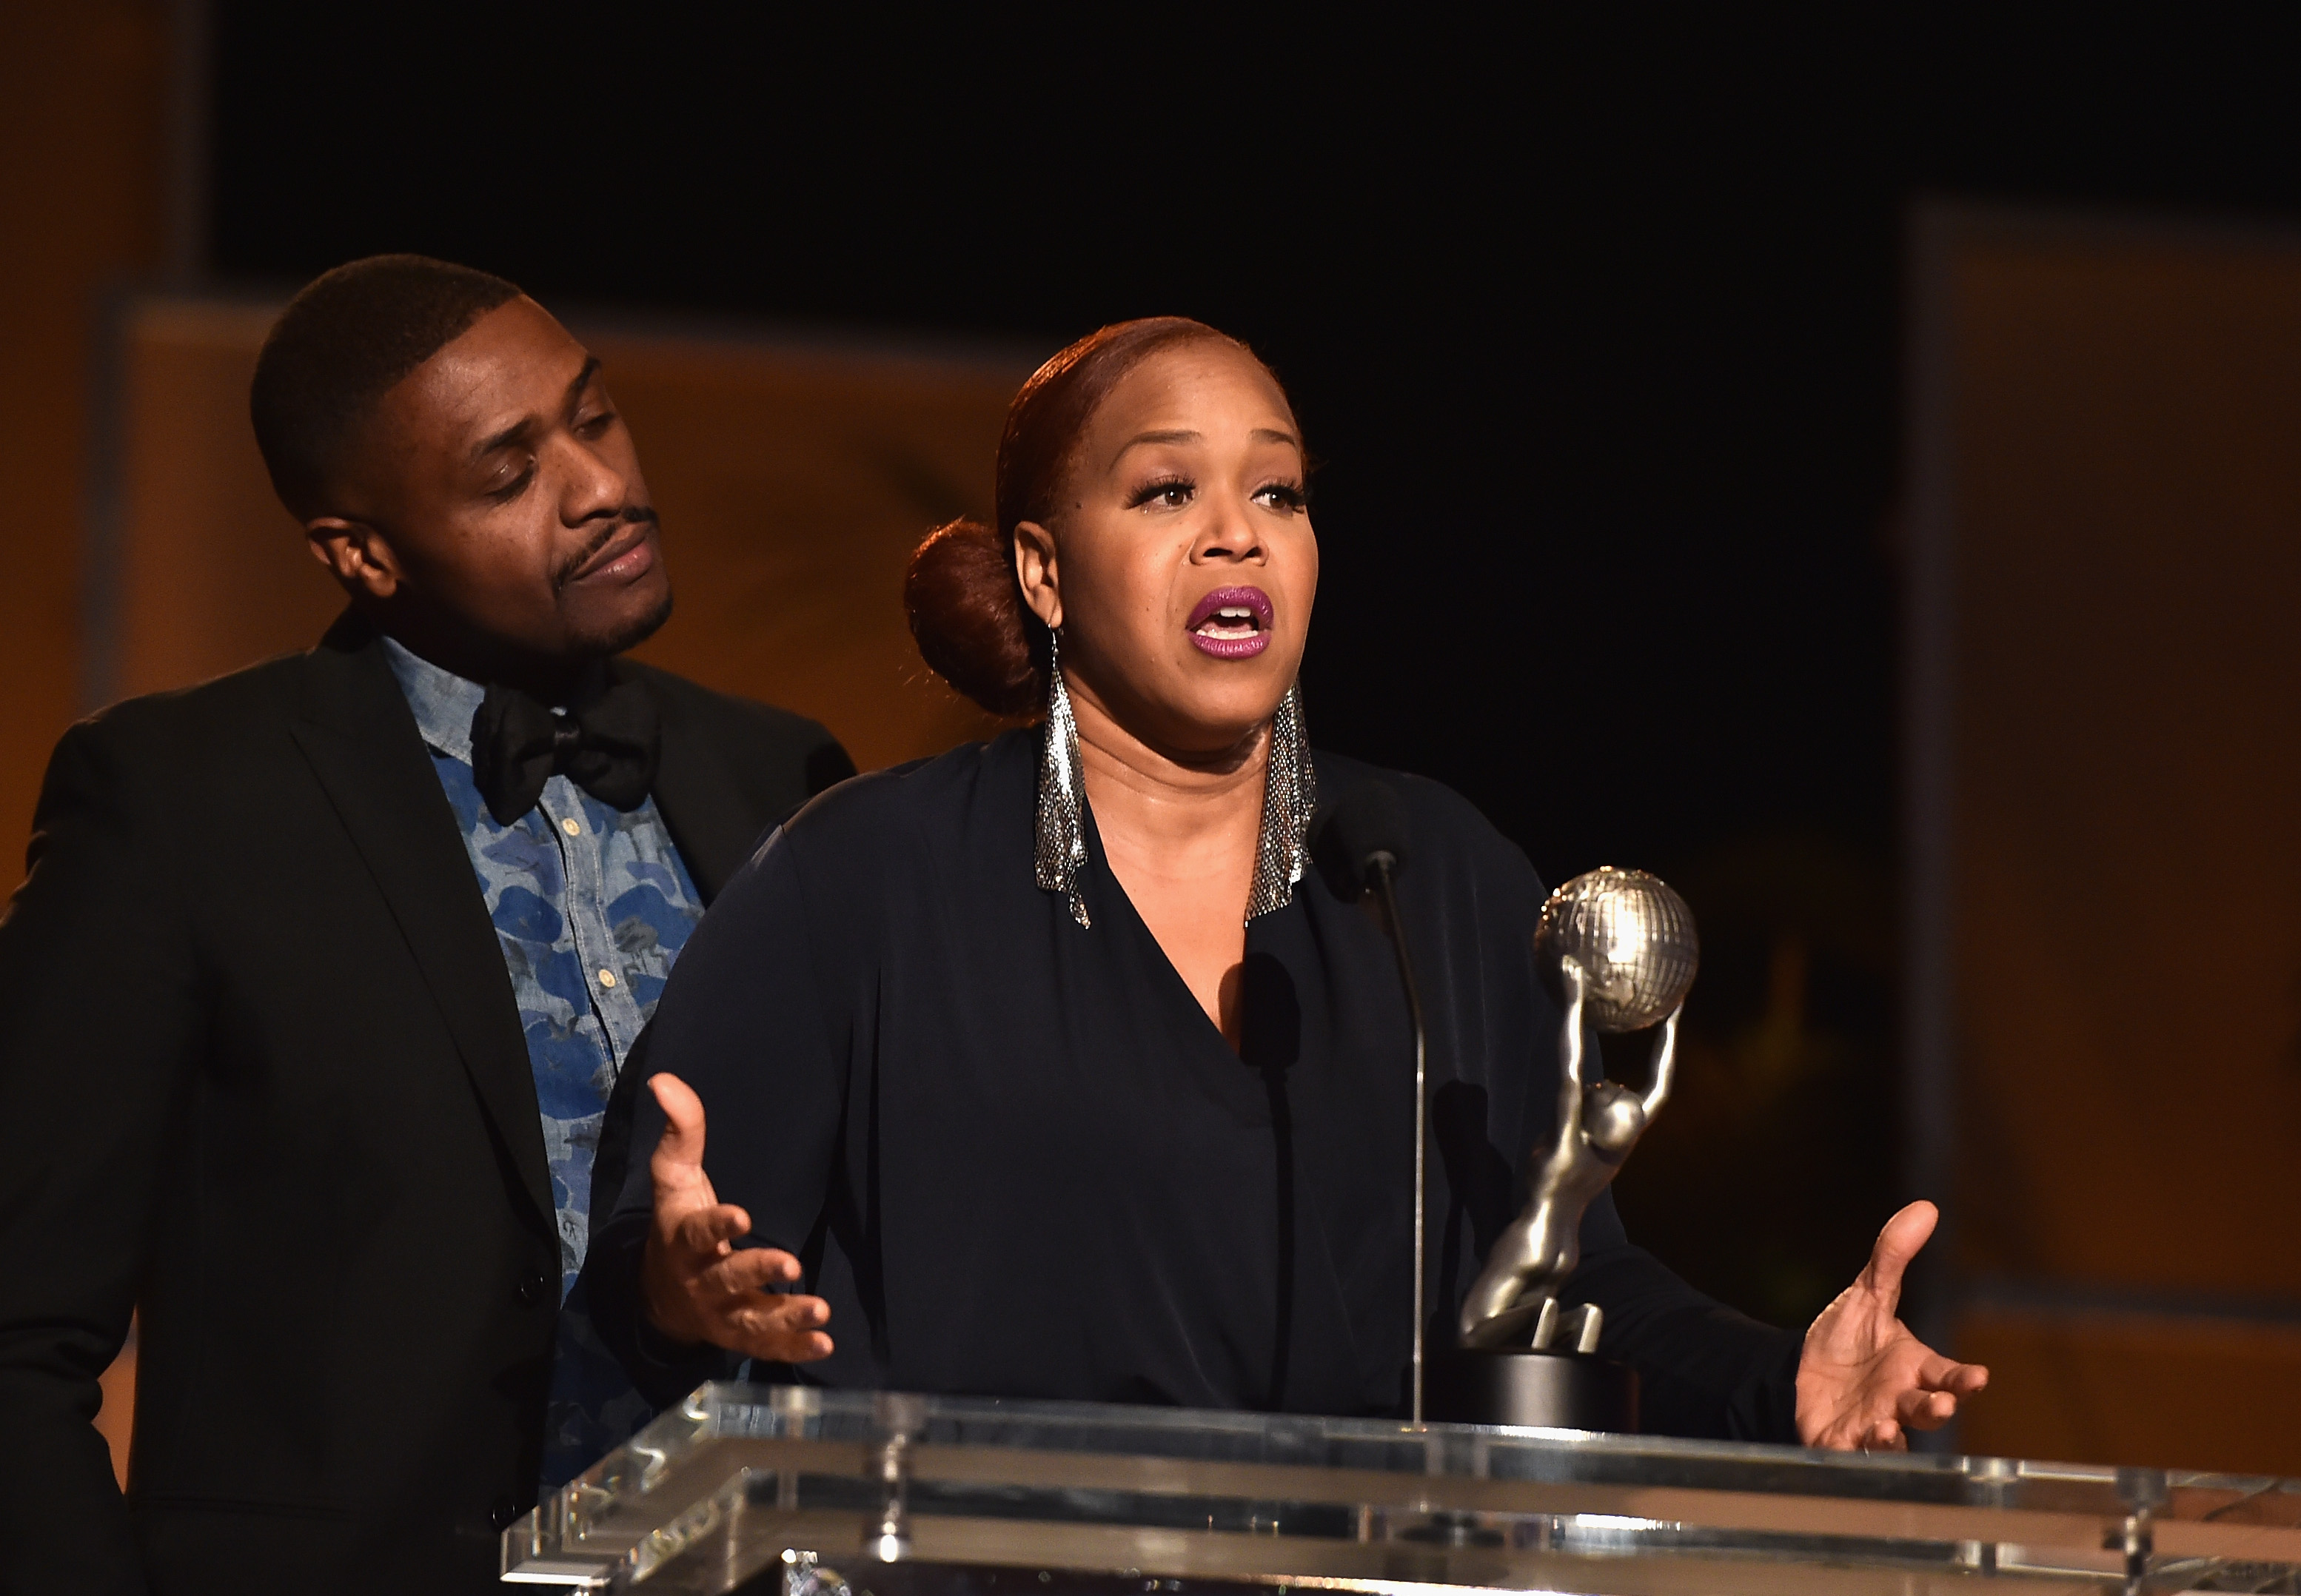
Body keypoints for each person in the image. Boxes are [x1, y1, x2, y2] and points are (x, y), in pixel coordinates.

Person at [586, 316, 1985, 1450]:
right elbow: (671, 1250)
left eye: (1278, 490)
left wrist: (1779, 1378)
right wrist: (680, 1281)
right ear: (1044, 569)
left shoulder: (1430, 878)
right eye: (1166, 490)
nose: (1236, 534)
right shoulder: (867, 880)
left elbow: (1556, 1285)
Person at [0, 255, 852, 1596]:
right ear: (363, 553)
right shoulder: (182, 800)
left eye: (595, 414)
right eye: (511, 474)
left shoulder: (788, 779)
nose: (603, 487)